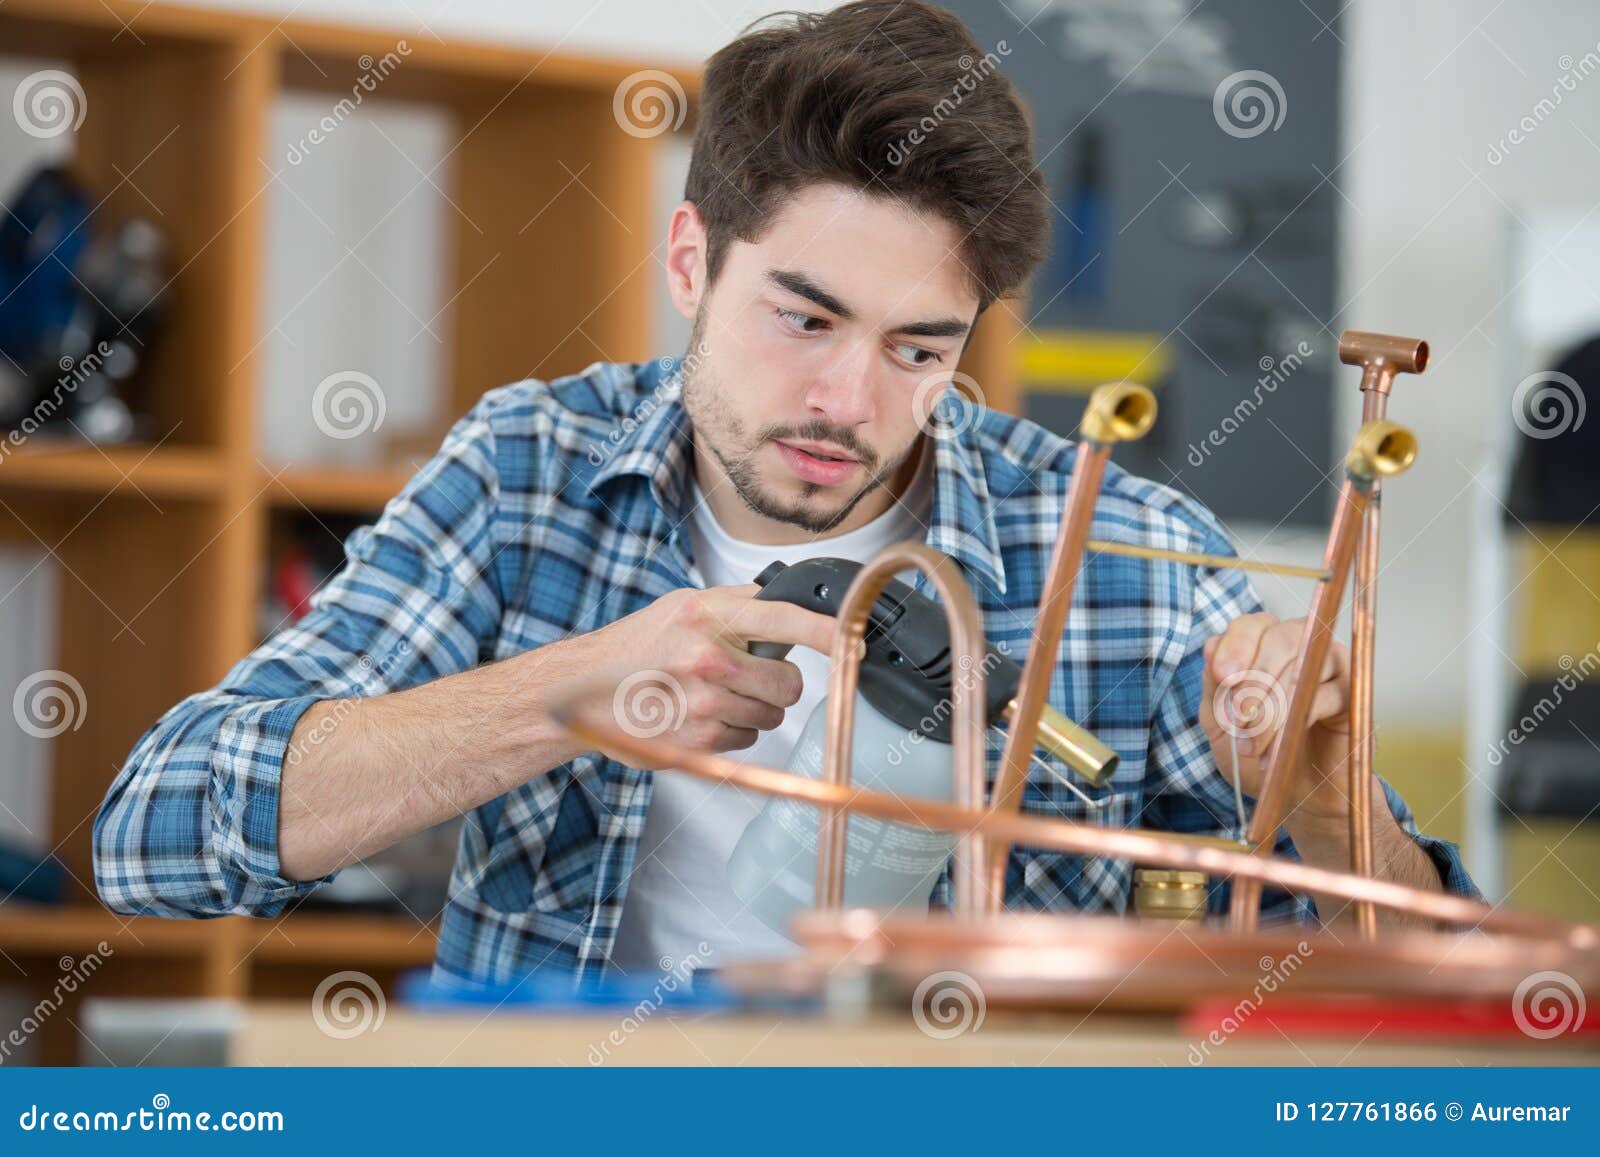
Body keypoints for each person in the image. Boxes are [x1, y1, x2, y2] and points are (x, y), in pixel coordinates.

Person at [93, 0, 1476, 988]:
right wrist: (572, 694)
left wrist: (1321, 803)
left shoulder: (1123, 547)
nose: (846, 403)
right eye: (802, 319)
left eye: (915, 348)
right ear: (692, 258)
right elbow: (151, 837)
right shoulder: (529, 472)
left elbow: (1444, 984)